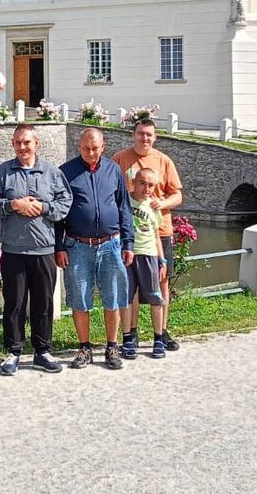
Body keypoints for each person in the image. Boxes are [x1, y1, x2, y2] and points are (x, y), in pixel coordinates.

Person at [0, 124, 73, 375]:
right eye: (18, 142)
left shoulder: (52, 172)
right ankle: (13, 351)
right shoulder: (3, 172)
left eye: (26, 142)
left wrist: (44, 208)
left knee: (43, 302)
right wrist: (13, 205)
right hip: (14, 250)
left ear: (36, 143)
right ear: (13, 144)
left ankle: (42, 351)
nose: (22, 147)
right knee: (14, 303)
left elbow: (65, 203)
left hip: (43, 249)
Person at [57, 128, 134, 371]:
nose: (90, 152)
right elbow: (59, 214)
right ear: (79, 147)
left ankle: (112, 346)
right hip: (78, 245)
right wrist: (59, 246)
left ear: (103, 146)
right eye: (86, 148)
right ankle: (84, 348)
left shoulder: (113, 170)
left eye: (95, 148)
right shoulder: (65, 172)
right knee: (80, 298)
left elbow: (124, 207)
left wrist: (128, 243)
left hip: (111, 244)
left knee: (113, 297)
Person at [113, 119, 184, 356]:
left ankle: (161, 331)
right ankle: (131, 333)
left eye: (149, 135)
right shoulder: (120, 159)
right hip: (129, 233)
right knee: (130, 286)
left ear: (155, 137)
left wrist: (161, 204)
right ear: (133, 135)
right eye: (141, 134)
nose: (145, 138)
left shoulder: (163, 161)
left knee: (162, 283)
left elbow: (177, 196)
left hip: (158, 231)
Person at [125, 169, 170, 359]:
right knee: (127, 297)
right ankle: (128, 338)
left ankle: (158, 338)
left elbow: (157, 236)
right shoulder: (125, 201)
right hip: (128, 253)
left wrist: (162, 260)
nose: (146, 188)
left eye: (151, 185)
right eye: (142, 183)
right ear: (134, 182)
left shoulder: (153, 206)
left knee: (155, 297)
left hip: (149, 254)